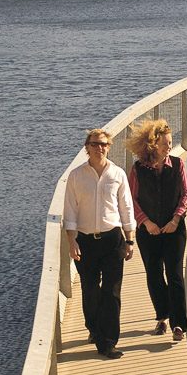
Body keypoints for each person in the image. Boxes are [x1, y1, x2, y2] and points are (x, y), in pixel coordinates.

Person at [63, 128, 136, 359]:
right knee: (91, 290)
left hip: (112, 239)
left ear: (109, 146)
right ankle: (94, 328)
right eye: (95, 144)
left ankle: (109, 342)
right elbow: (70, 210)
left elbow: (126, 208)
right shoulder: (76, 176)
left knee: (112, 291)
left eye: (104, 144)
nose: (99, 148)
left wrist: (130, 239)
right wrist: (71, 240)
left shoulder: (117, 174)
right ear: (87, 147)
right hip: (86, 241)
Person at [127, 119, 187, 342]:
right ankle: (162, 316)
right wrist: (146, 222)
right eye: (165, 144)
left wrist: (176, 219)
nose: (168, 148)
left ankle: (179, 324)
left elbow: (186, 194)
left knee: (174, 275)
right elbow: (132, 200)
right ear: (153, 145)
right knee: (154, 275)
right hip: (149, 230)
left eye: (171, 144)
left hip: (174, 228)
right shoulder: (137, 170)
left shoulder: (178, 165)